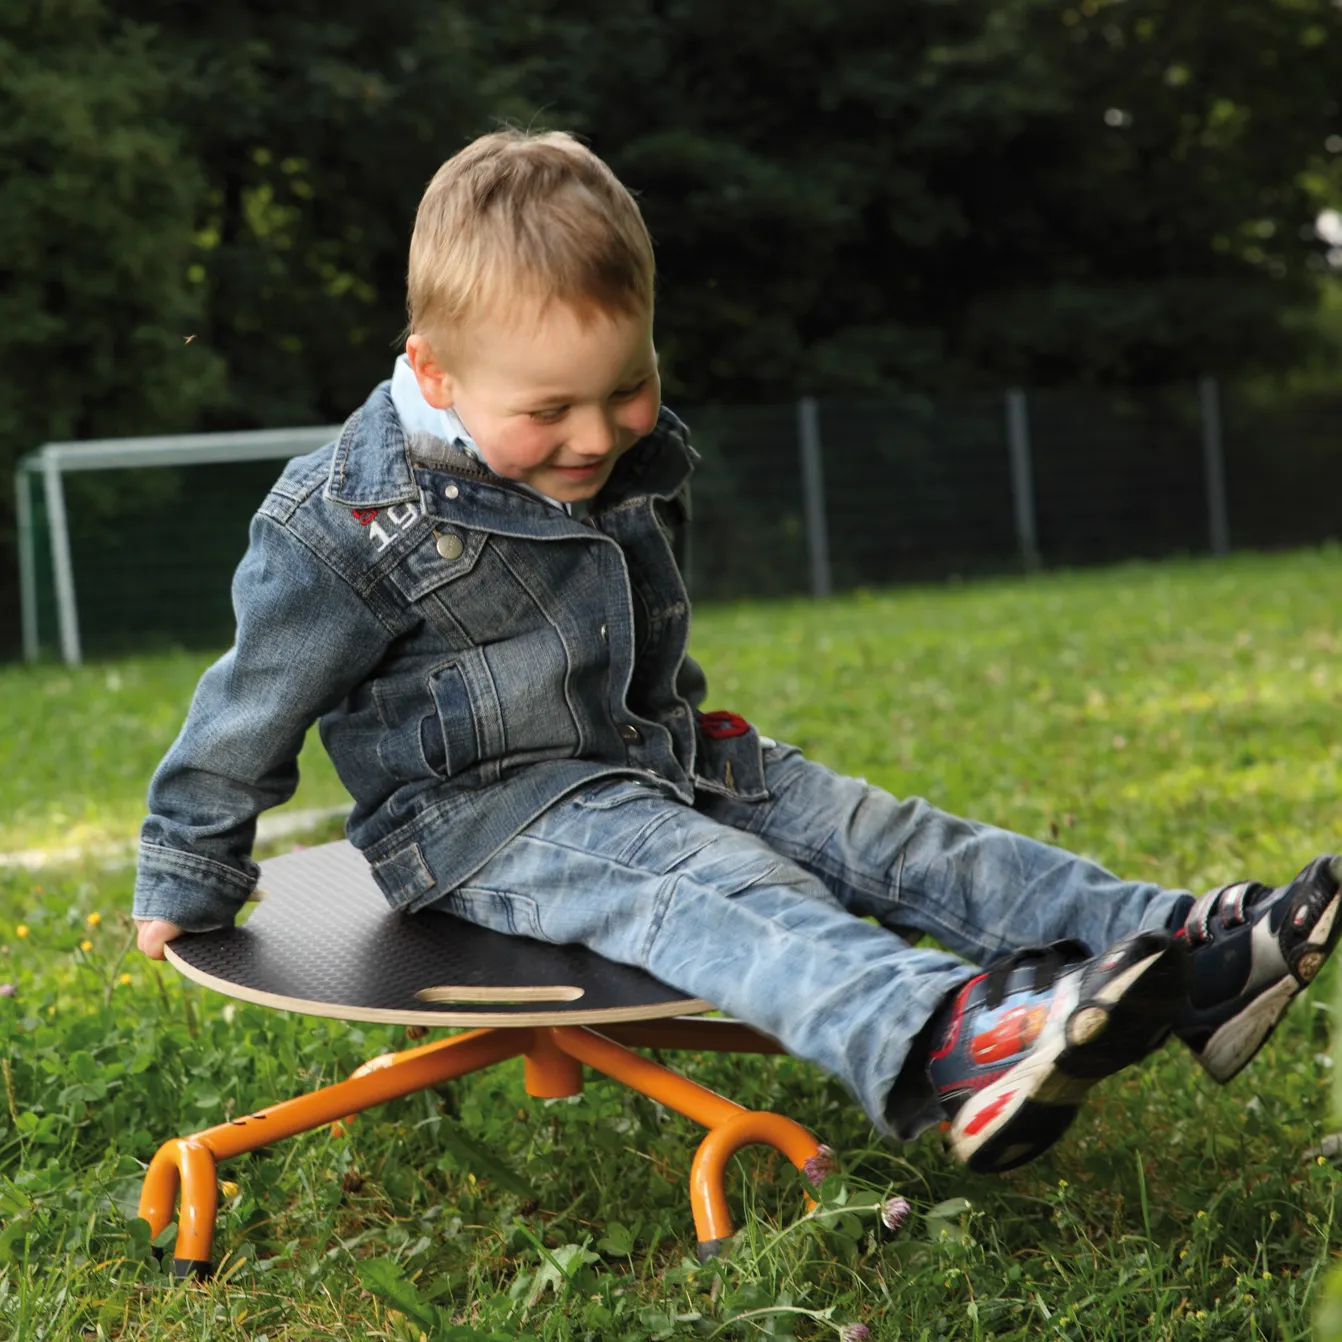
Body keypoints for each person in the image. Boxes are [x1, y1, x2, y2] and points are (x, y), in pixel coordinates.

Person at [132, 129, 1341, 1175]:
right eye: (548, 411)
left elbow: (636, 629)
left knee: (892, 838)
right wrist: (188, 872)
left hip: (659, 758)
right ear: (435, 370)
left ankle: (1186, 954)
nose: (595, 436)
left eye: (628, 387)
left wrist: (703, 759)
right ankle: (947, 1043)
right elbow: (249, 705)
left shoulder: (610, 448)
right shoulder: (343, 524)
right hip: (486, 822)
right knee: (721, 887)